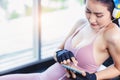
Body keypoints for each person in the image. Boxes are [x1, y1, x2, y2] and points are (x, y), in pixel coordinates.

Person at [0, 0, 120, 80]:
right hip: (43, 77)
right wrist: (59, 53)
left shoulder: (112, 35)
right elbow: (58, 49)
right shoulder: (81, 23)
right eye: (88, 11)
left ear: (114, 14)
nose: (92, 19)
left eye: (99, 15)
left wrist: (94, 77)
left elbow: (118, 68)